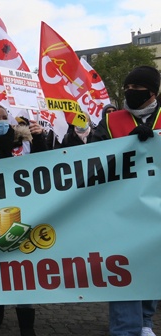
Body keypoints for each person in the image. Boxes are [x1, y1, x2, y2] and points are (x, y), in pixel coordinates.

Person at [91, 65, 160, 336]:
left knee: (152, 264)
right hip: (120, 209)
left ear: (152, 91)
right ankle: (125, 329)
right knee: (123, 266)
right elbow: (92, 160)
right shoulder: (110, 121)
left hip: (156, 208)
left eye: (137, 88)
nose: (130, 93)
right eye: (127, 89)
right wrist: (123, 150)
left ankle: (145, 321)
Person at [0, 103, 46, 336]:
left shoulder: (25, 140)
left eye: (5, 117)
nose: (2, 121)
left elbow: (45, 163)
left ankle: (27, 326)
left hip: (25, 212)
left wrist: (41, 138)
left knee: (23, 267)